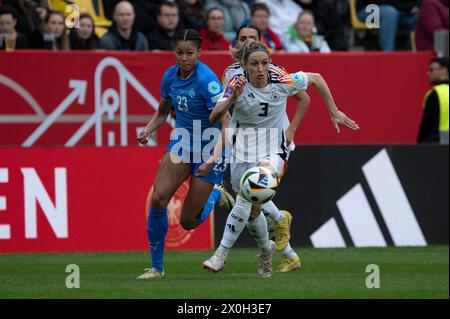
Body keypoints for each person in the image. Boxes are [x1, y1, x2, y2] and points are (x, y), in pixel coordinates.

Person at [203, 39, 359, 277]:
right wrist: (233, 97)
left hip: (274, 149)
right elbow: (215, 116)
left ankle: (220, 255)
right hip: (242, 148)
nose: (260, 69)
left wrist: (333, 110)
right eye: (254, 64)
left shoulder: (280, 77)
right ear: (244, 65)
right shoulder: (235, 81)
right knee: (253, 210)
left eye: (265, 63)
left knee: (247, 192)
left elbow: (316, 77)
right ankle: (267, 249)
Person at [136, 29, 234, 280]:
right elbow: (162, 113)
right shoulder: (170, 77)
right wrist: (148, 129)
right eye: (179, 52)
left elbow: (227, 122)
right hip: (182, 144)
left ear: (199, 53)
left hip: (209, 148)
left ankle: (215, 194)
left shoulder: (207, 81)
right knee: (158, 199)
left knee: (188, 222)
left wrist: (212, 159)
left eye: (189, 53)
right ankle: (157, 268)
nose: (183, 58)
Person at [219, 24, 311, 273]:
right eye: (243, 39)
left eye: (252, 39)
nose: (247, 42)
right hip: (244, 143)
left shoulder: (275, 73)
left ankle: (224, 254)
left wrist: (291, 129)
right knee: (249, 201)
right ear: (237, 45)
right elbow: (225, 111)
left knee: (248, 197)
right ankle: (285, 243)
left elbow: (304, 96)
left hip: (274, 143)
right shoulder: (230, 74)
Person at [417, 57, 449, 144]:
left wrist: (419, 143)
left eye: (431, 70)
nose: (428, 73)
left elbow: (427, 124)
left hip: (436, 145)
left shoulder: (436, 93)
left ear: (444, 70)